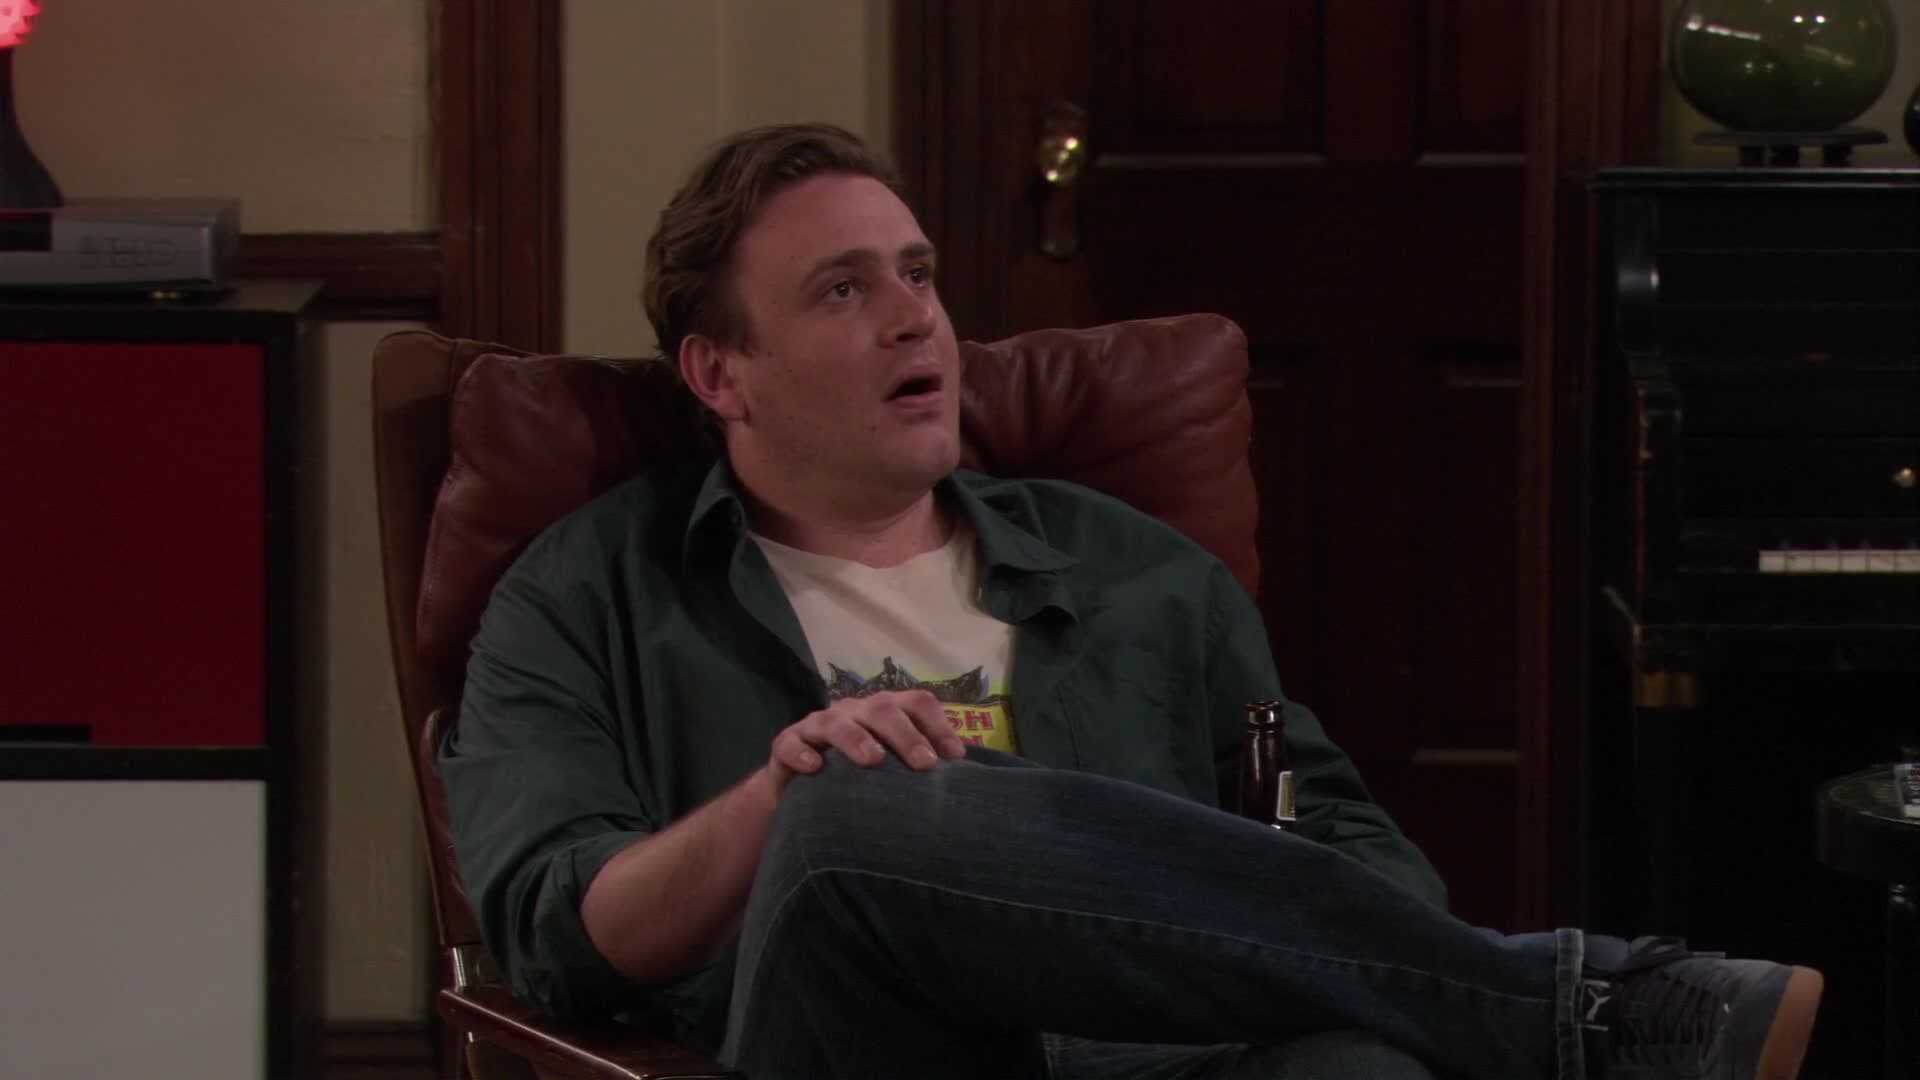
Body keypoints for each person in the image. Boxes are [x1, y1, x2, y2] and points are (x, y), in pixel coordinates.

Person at [439, 122, 1825, 1080]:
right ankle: (1569, 1009)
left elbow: (1361, 857)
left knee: (1359, 1069)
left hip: (1156, 1054)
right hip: (855, 1045)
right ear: (718, 374)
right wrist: (772, 801)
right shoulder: (589, 592)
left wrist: (1230, 925)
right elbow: (553, 932)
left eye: (917, 274)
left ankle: (1547, 1012)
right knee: (848, 798)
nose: (916, 319)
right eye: (842, 291)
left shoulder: (1137, 573)